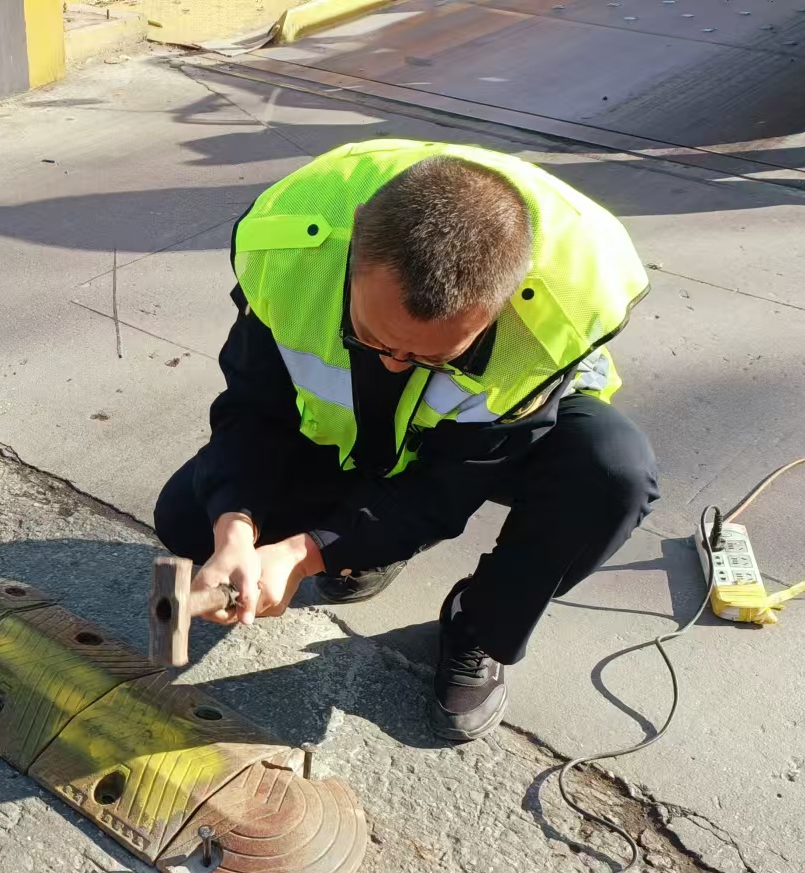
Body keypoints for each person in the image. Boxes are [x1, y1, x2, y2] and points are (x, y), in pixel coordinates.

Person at [155, 140, 658, 743]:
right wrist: (236, 526)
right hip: (356, 432)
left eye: (429, 354)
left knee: (610, 475)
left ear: (497, 310)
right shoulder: (293, 253)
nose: (394, 366)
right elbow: (253, 405)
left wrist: (301, 553)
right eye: (373, 337)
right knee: (189, 519)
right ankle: (360, 543)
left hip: (478, 440)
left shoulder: (548, 320)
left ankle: (475, 624)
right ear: (350, 263)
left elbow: (449, 487)